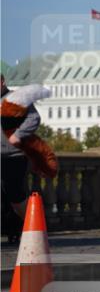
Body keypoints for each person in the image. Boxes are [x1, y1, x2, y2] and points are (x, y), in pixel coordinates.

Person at [1, 75, 42, 244]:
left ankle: (32, 228)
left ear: (2, 82)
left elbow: (34, 118)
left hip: (14, 155)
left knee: (14, 194)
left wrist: (18, 135)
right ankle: (13, 228)